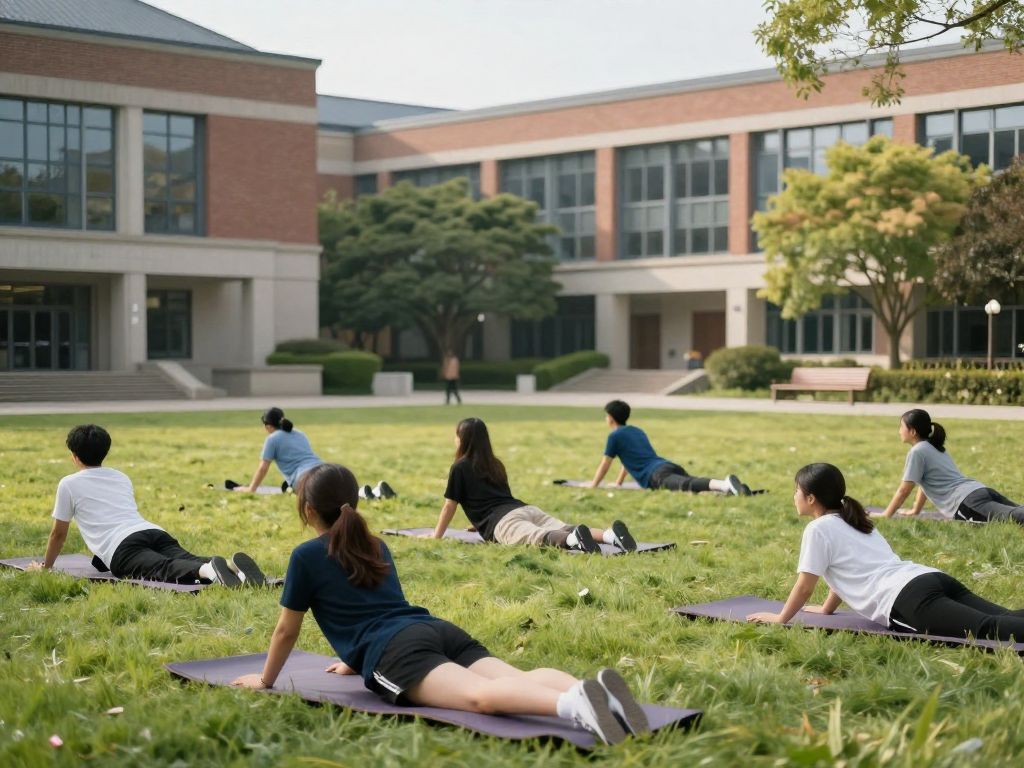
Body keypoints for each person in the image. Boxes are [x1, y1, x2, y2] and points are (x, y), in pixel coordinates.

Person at [230, 463, 650, 745]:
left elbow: (287, 629)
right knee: (514, 676)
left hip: (397, 652)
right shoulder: (374, 543)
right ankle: (589, 691)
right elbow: (372, 604)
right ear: (354, 504)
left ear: (307, 510)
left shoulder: (305, 555)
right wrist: (354, 658)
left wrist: (266, 681)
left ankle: (576, 706)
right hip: (433, 630)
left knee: (481, 698)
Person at [746, 463, 1024, 642]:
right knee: (1007, 616)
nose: (793, 496)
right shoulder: (854, 519)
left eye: (796, 491)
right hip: (929, 577)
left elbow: (805, 587)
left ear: (810, 498)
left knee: (990, 631)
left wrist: (780, 619)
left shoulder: (818, 529)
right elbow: (848, 572)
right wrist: (827, 609)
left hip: (906, 599)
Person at [29, 424, 264, 587]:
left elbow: (58, 534)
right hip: (152, 531)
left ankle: (211, 572)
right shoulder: (120, 476)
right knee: (188, 557)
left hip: (122, 548)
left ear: (75, 456)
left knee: (163, 567)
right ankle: (236, 571)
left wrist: (46, 567)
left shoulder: (69, 483)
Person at [431, 418, 637, 552]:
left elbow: (450, 505)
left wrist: (436, 537)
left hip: (503, 522)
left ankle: (575, 540)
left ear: (463, 439)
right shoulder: (495, 464)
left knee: (538, 537)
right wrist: (478, 523)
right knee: (562, 526)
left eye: (457, 436)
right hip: (525, 509)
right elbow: (497, 497)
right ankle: (610, 535)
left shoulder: (460, 467)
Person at [881, 408, 1024, 524]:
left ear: (912, 431)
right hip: (980, 490)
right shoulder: (933, 446)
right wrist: (915, 510)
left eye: (901, 427)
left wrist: (885, 515)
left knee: (1015, 517)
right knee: (1019, 511)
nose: (899, 431)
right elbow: (924, 484)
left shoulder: (917, 451)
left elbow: (903, 491)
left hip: (966, 503)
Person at [590, 400, 751, 496]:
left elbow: (605, 465)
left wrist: (593, 485)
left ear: (610, 418)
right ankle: (732, 490)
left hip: (656, 475)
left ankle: (724, 484)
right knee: (691, 486)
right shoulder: (637, 430)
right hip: (667, 465)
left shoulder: (614, 436)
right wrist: (618, 483)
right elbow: (628, 460)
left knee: (688, 484)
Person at [230, 407, 322, 494]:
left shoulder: (272, 439)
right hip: (322, 467)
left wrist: (251, 488)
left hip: (304, 478)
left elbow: (263, 468)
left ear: (268, 426)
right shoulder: (300, 433)